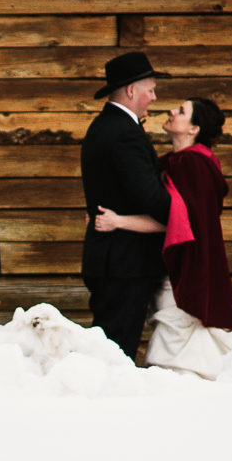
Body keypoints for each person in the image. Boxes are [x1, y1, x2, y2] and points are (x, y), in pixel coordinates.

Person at [93, 99, 232, 378]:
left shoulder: (191, 164)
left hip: (185, 269)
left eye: (182, 111)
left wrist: (118, 221)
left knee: (181, 341)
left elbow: (179, 223)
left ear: (193, 129)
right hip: (177, 265)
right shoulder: (180, 161)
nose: (172, 111)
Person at [80, 51, 171, 362]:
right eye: (151, 90)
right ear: (132, 90)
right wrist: (188, 216)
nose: (154, 98)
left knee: (111, 345)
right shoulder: (124, 133)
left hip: (112, 257)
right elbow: (149, 196)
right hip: (124, 261)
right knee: (115, 352)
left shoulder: (103, 126)